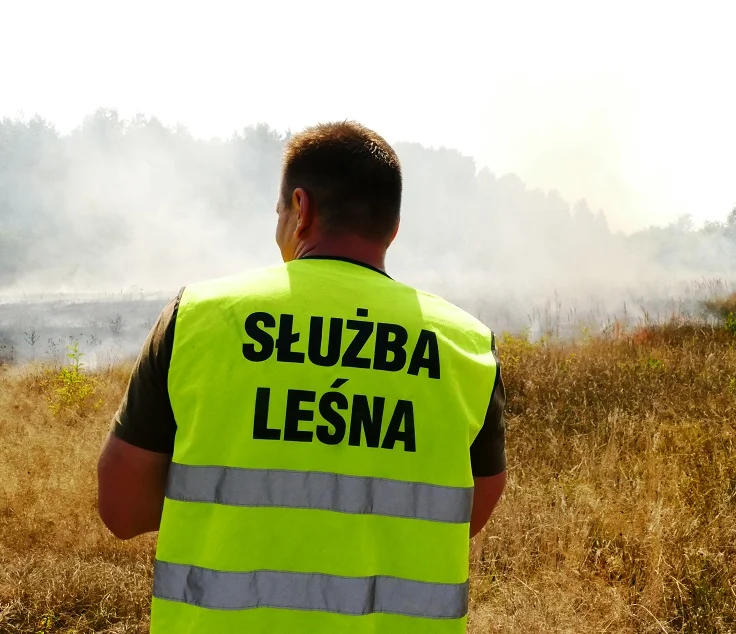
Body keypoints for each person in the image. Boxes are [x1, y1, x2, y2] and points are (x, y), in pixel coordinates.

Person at [97, 121, 507, 633]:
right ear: (393, 228)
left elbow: (121, 507)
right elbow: (465, 512)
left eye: (278, 213)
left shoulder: (198, 316)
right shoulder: (466, 345)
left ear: (301, 208)